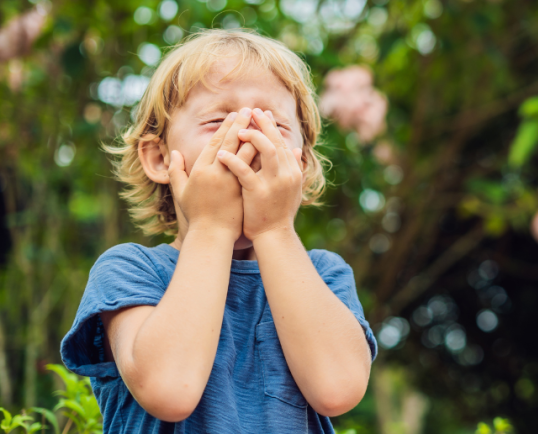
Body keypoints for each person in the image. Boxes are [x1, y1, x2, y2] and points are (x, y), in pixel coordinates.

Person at [60, 29, 378, 433]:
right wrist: (211, 226)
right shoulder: (129, 270)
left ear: (300, 166)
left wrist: (274, 229)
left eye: (274, 125)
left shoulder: (324, 275)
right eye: (217, 121)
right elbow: (169, 391)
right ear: (160, 158)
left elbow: (338, 390)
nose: (247, 137)